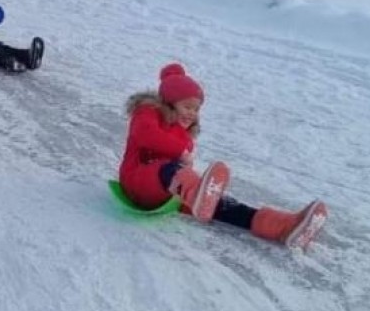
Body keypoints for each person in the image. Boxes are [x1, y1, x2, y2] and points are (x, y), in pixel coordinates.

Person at [117, 62, 328, 249]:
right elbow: (145, 135)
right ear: (169, 103)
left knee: (223, 204)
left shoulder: (185, 135)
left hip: (170, 192)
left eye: (196, 109)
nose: (192, 113)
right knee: (172, 170)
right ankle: (197, 193)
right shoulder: (148, 112)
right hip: (137, 182)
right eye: (187, 106)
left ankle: (284, 227)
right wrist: (181, 153)